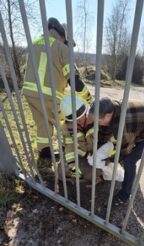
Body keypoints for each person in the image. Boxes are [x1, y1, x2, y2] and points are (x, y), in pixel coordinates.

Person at [22, 17, 93, 159]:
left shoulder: (34, 43)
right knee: (64, 123)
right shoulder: (62, 48)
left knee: (42, 122)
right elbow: (74, 80)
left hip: (29, 92)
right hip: (49, 95)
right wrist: (89, 99)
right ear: (64, 36)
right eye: (68, 43)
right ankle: (66, 150)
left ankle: (45, 151)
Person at [88, 97, 144, 203]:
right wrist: (98, 146)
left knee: (129, 160)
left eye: (98, 121)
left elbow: (125, 151)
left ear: (108, 116)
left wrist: (109, 161)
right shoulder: (110, 106)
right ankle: (129, 176)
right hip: (143, 123)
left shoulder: (124, 126)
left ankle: (124, 195)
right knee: (124, 151)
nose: (96, 123)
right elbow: (105, 130)